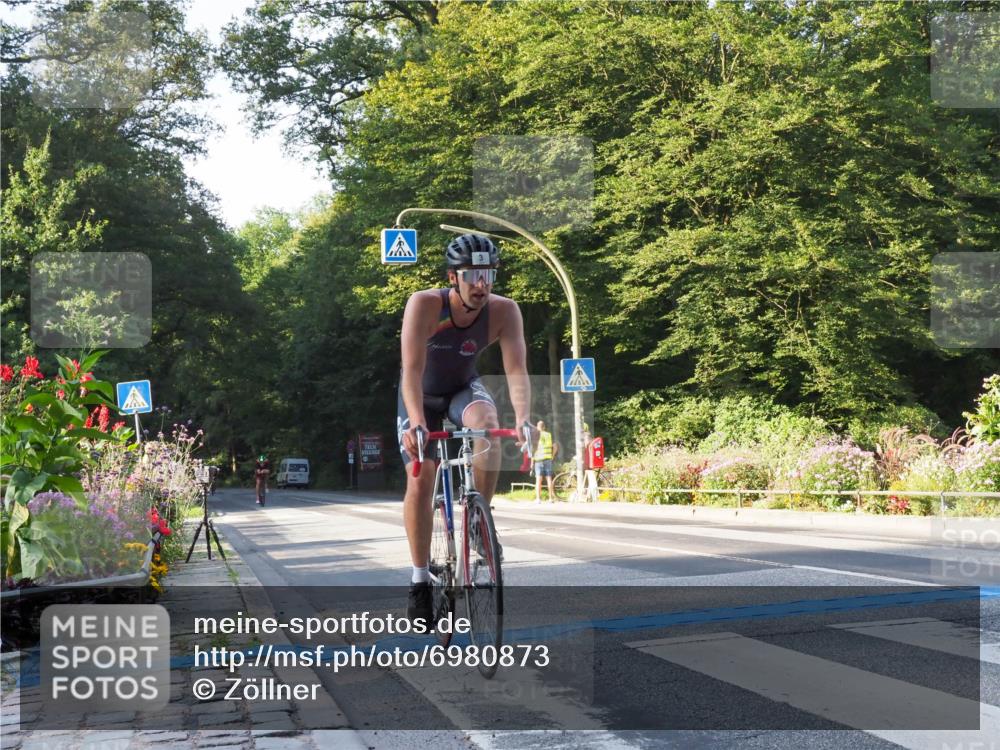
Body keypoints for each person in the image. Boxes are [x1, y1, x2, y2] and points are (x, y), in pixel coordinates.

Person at [397, 233, 531, 629]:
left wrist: (523, 417)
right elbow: (412, 370)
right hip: (419, 393)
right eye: (472, 274)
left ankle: (478, 519)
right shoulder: (425, 304)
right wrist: (417, 422)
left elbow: (517, 370)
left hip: (461, 389)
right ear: (453, 277)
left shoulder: (504, 311)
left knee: (487, 425)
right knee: (422, 478)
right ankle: (420, 579)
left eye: (488, 273)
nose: (481, 284)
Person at [533, 419, 558, 503]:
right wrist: (552, 456)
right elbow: (555, 446)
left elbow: (533, 449)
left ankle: (538, 499)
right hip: (548, 459)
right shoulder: (549, 435)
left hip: (538, 460)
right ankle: (550, 499)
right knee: (549, 479)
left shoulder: (536, 435)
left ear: (537, 427)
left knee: (538, 480)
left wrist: (531, 462)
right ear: (544, 427)